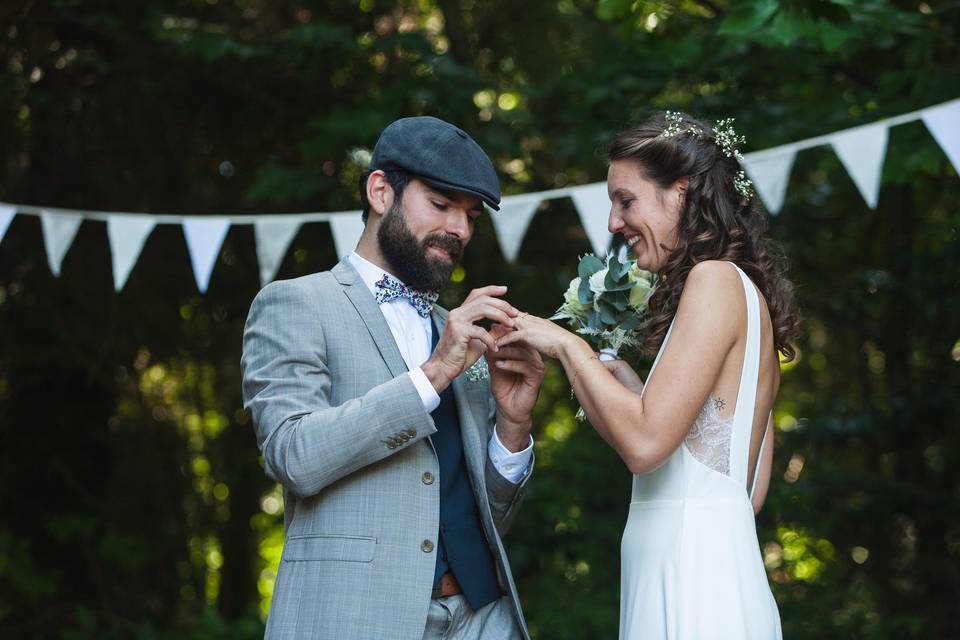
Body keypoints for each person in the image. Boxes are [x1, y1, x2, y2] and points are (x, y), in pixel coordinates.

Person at [497, 111, 800, 639]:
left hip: (691, 582)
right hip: (712, 570)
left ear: (680, 193)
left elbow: (643, 445)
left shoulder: (712, 280)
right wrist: (638, 393)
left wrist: (569, 347)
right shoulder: (747, 296)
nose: (613, 223)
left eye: (625, 200)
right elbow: (739, 489)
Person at [241, 116, 544, 640]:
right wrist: (432, 375)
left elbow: (486, 515)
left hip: (483, 617)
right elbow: (292, 454)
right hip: (357, 617)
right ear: (380, 191)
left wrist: (513, 428)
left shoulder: (454, 330)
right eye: (442, 205)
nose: (461, 229)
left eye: (470, 215)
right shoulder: (297, 302)